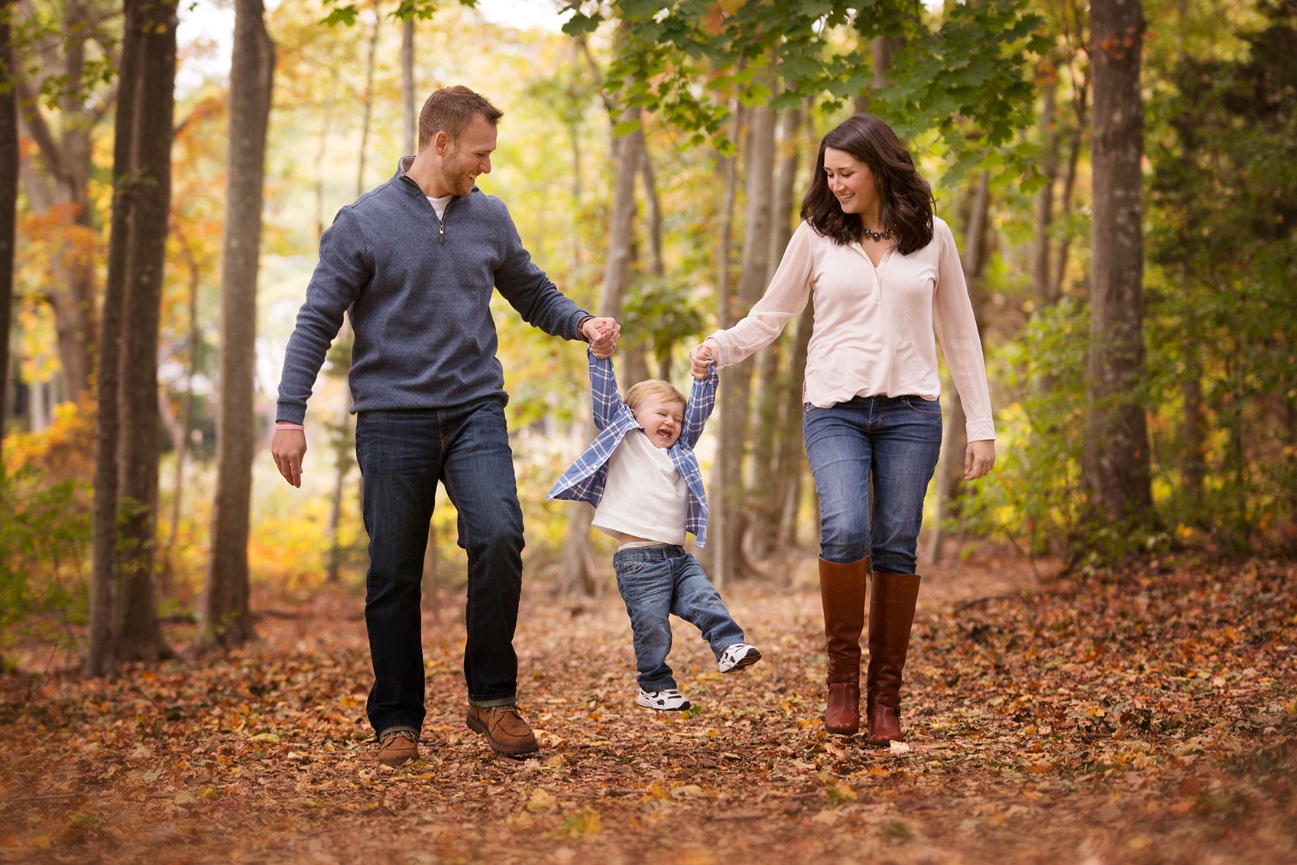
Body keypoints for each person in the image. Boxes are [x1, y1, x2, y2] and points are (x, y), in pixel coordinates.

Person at [271, 85, 618, 766]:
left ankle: (491, 696)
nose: (485, 166)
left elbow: (531, 290)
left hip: (473, 411)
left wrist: (580, 322)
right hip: (390, 419)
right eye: (479, 153)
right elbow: (315, 321)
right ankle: (397, 719)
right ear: (441, 142)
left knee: (499, 533)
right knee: (394, 570)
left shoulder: (489, 218)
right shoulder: (362, 223)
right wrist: (289, 413)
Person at [688, 113, 996, 745]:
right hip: (834, 411)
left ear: (879, 168)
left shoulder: (932, 237)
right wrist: (720, 346)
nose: (835, 186)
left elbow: (959, 334)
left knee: (896, 544)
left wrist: (982, 425)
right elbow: (771, 314)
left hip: (912, 413)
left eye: (846, 173)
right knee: (845, 526)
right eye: (827, 174)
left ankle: (886, 697)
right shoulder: (816, 236)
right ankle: (842, 683)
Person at [548, 346, 761, 712]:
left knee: (706, 601)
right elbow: (604, 397)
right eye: (661, 413)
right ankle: (654, 685)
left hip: (678, 557)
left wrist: (703, 377)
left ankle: (728, 646)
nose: (671, 422)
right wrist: (600, 355)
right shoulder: (627, 440)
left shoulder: (679, 449)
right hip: (639, 563)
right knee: (653, 628)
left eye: (676, 418)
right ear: (633, 416)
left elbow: (699, 414)